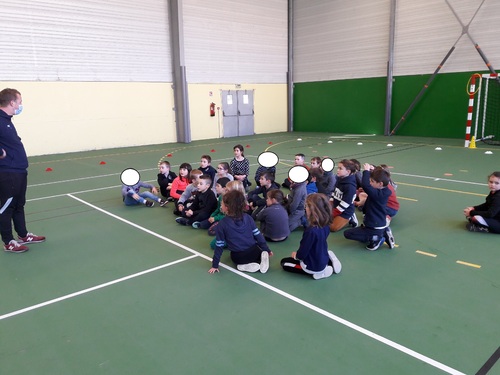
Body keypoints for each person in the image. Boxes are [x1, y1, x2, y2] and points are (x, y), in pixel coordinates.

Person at [0, 88, 46, 253]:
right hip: (7, 173)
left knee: (19, 205)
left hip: (19, 171)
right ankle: (8, 242)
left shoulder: (7, 120)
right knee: (6, 208)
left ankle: (23, 235)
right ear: (12, 102)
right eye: (19, 102)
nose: (21, 105)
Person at [209, 190, 272, 274]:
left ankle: (244, 266)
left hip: (239, 256)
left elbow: (219, 245)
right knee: (258, 252)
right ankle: (262, 258)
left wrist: (215, 265)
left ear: (227, 207)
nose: (221, 205)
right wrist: (266, 249)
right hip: (255, 251)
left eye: (222, 203)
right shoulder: (248, 218)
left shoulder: (222, 224)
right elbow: (258, 236)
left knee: (237, 261)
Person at [280, 193, 342, 280]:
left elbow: (302, 253)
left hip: (312, 266)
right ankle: (329, 263)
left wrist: (296, 256)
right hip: (322, 256)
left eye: (307, 207)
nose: (305, 208)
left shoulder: (311, 231)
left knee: (284, 263)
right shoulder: (326, 224)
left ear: (313, 210)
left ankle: (320, 273)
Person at [344, 165, 395, 250]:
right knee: (358, 236)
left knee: (348, 234)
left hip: (374, 226)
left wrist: (366, 171)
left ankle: (377, 239)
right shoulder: (383, 191)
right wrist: (373, 171)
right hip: (375, 224)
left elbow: (366, 186)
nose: (370, 183)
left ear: (380, 184)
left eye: (372, 181)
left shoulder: (378, 194)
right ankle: (384, 232)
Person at [330, 159, 358, 232]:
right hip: (336, 206)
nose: (338, 170)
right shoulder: (339, 179)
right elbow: (334, 191)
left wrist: (333, 213)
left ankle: (350, 218)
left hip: (345, 210)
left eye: (340, 169)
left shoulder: (350, 186)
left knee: (332, 227)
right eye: (338, 168)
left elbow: (345, 203)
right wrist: (330, 202)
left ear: (348, 172)